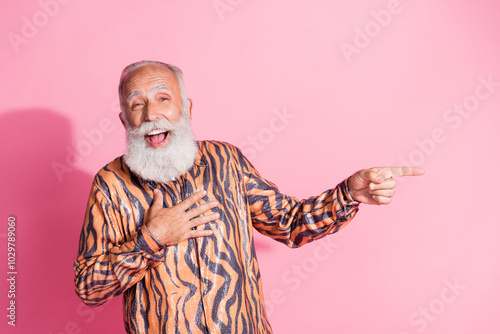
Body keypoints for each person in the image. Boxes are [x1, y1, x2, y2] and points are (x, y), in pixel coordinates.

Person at [73, 60, 425, 334]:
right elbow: (89, 287)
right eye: (137, 105)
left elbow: (290, 223)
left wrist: (348, 193)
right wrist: (152, 239)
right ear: (124, 120)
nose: (151, 115)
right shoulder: (111, 185)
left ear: (187, 108)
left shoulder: (226, 161)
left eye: (163, 98)